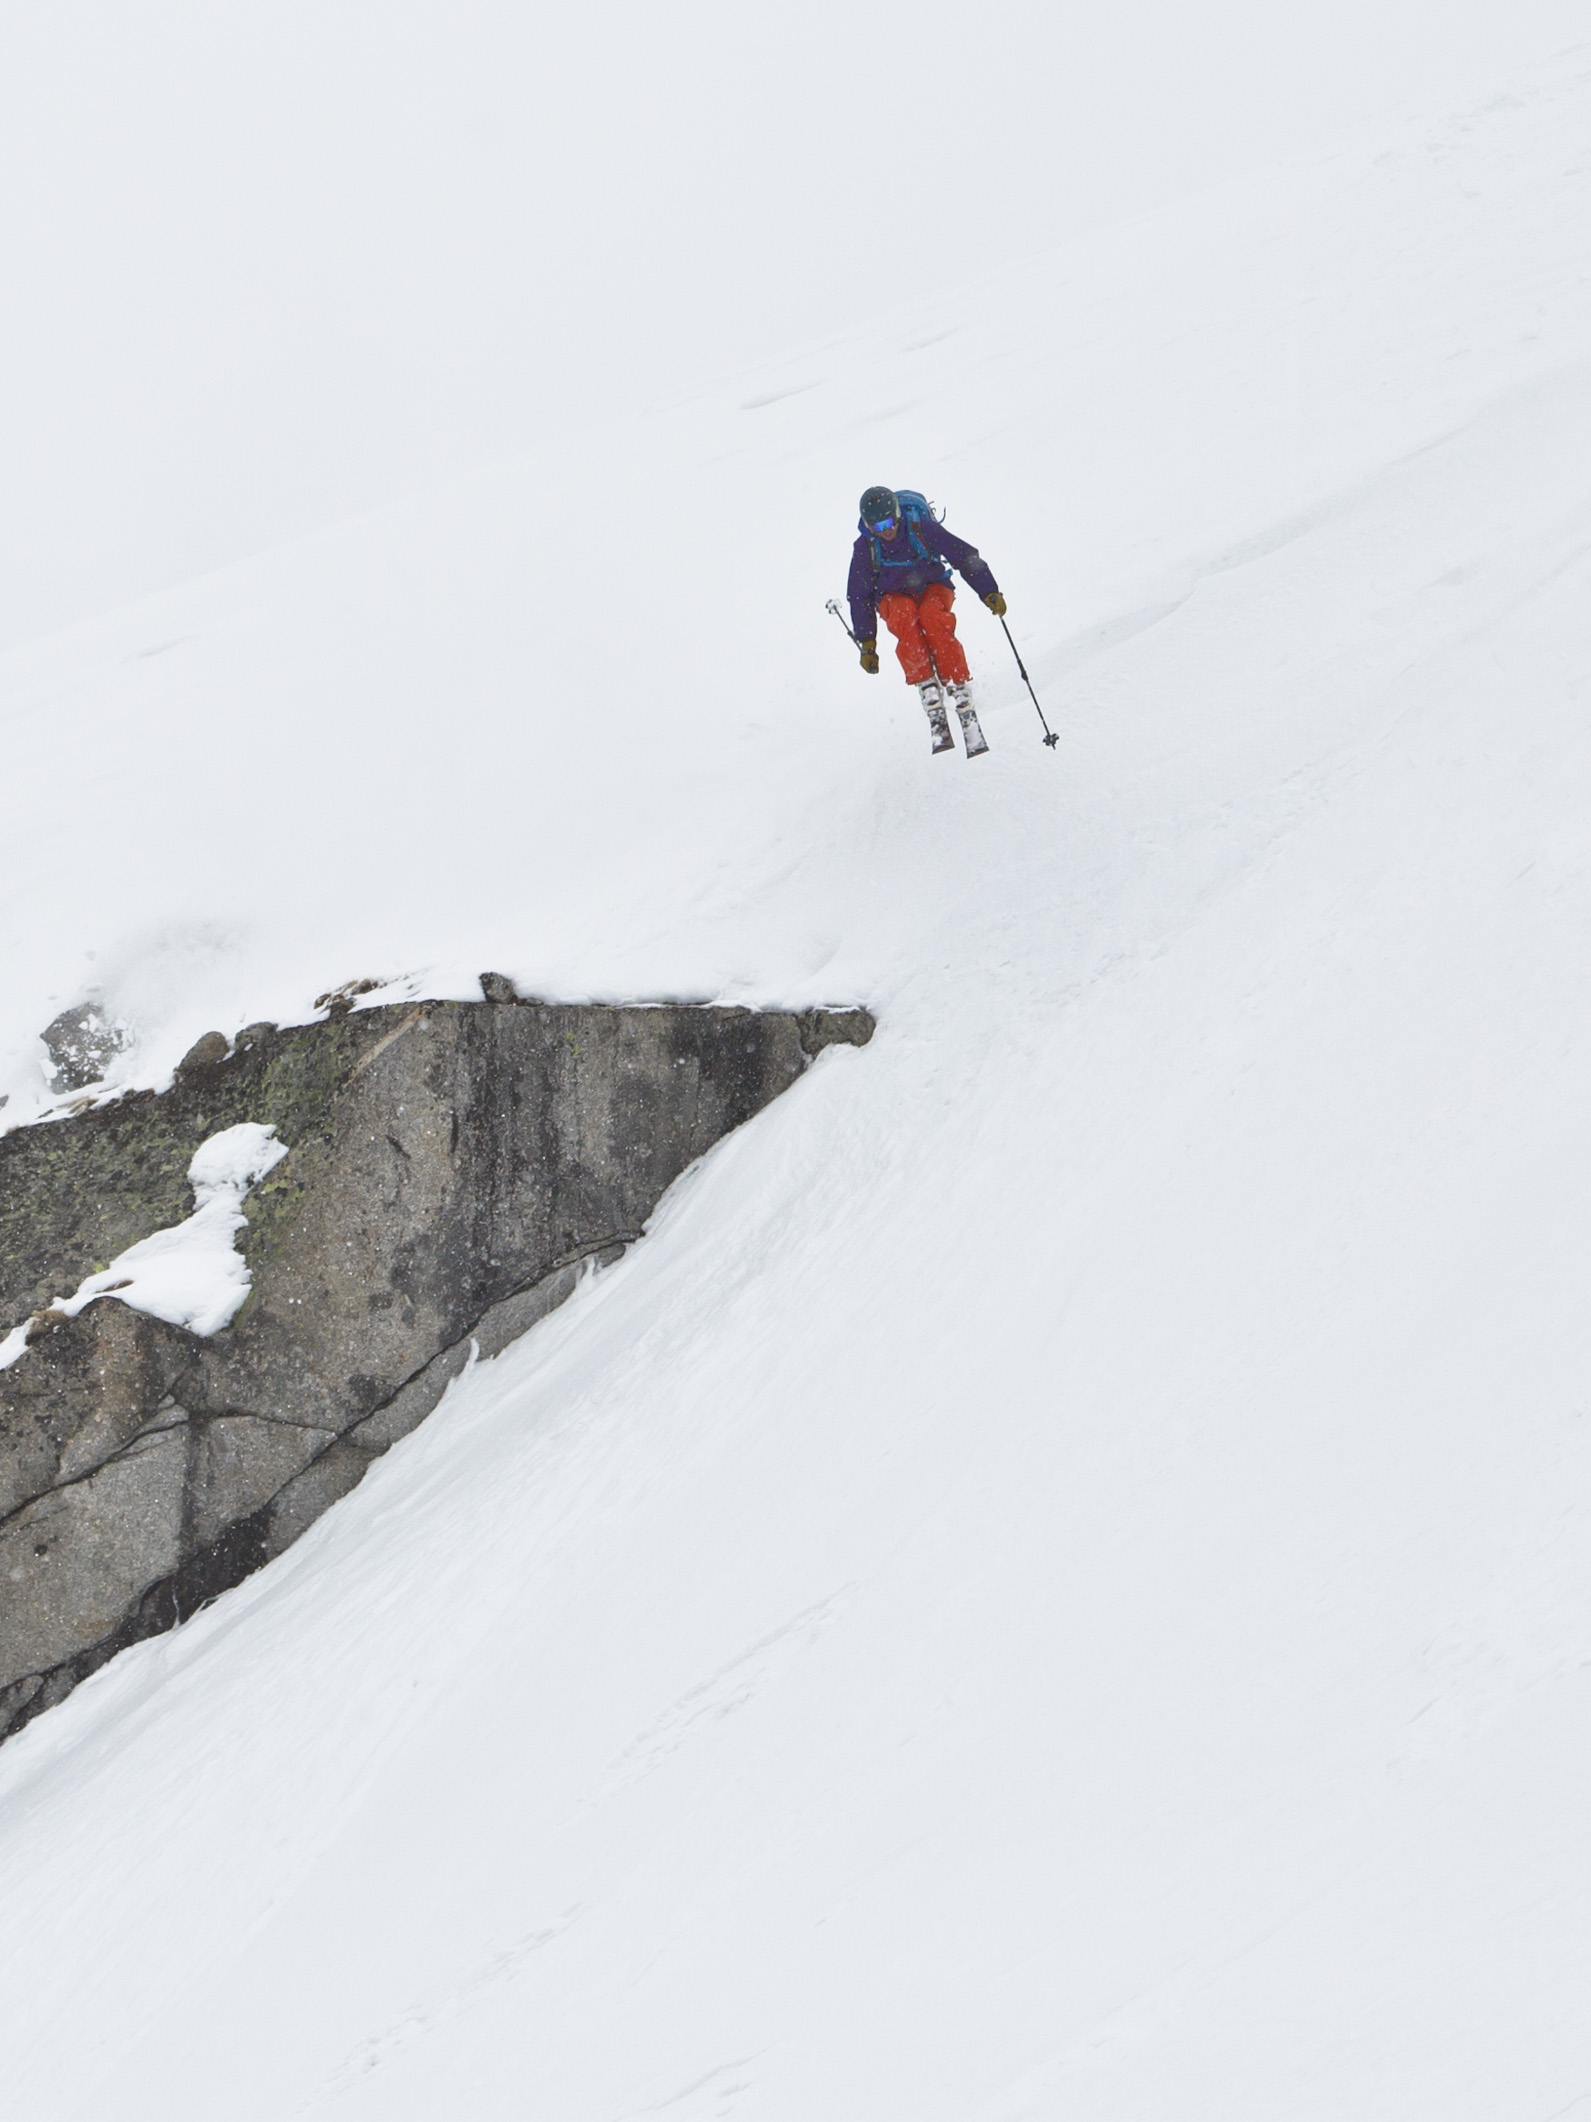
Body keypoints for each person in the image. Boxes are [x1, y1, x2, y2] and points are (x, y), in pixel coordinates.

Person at [847, 486, 1007, 757]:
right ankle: (928, 690)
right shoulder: (866, 548)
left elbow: (963, 555)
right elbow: (859, 595)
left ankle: (959, 690)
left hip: (932, 585)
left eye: (890, 521)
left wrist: (988, 590)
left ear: (898, 513)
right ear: (868, 526)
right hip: (893, 596)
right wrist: (867, 643)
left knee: (933, 619)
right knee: (903, 617)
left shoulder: (920, 527)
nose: (886, 530)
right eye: (878, 526)